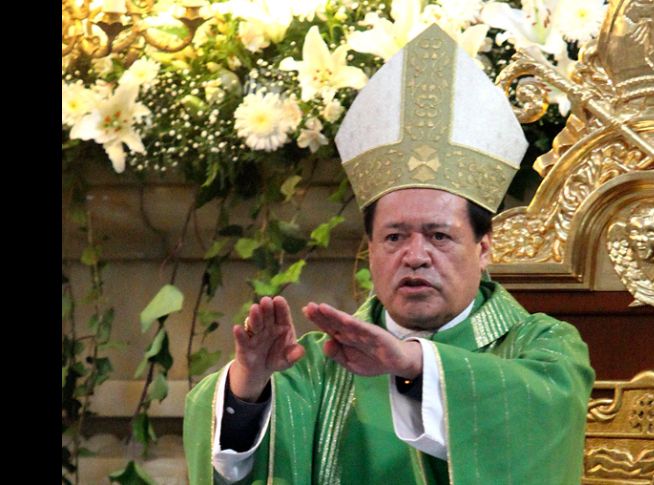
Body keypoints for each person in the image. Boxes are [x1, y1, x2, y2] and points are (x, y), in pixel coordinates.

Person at [184, 24, 595, 485]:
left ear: (483, 248)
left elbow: (544, 414)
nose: (415, 256)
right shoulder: (315, 365)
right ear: (371, 250)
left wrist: (412, 365)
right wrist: (249, 382)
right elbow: (230, 467)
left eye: (439, 236)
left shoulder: (544, 348)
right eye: (395, 237)